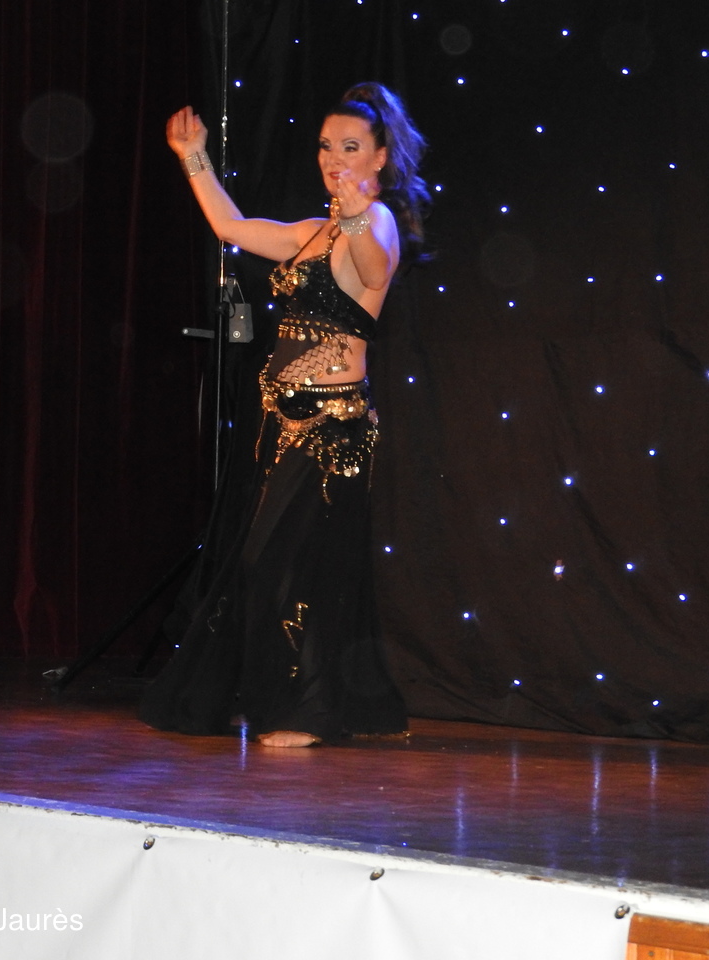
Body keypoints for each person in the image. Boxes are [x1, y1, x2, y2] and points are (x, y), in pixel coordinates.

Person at [139, 82, 429, 747]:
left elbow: (374, 272)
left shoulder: (376, 221)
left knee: (290, 564)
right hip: (280, 426)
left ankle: (311, 711)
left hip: (332, 429)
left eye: (350, 147)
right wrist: (193, 156)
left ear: (380, 156)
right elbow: (230, 227)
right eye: (326, 147)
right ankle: (307, 701)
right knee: (267, 561)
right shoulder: (308, 232)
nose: (334, 159)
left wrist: (354, 217)